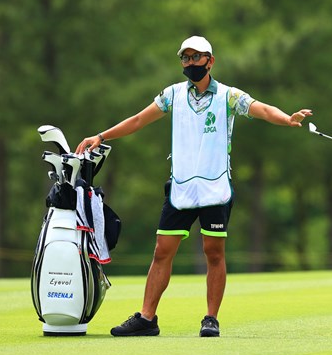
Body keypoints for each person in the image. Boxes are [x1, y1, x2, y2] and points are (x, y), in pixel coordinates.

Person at [75, 35, 312, 337]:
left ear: (210, 61)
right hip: (181, 187)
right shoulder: (172, 95)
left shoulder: (228, 95)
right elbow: (137, 120)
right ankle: (147, 319)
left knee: (214, 252)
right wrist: (102, 136)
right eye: (185, 58)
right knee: (162, 251)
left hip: (214, 188)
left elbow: (261, 109)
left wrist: (287, 119)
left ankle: (211, 319)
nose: (190, 63)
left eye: (196, 57)